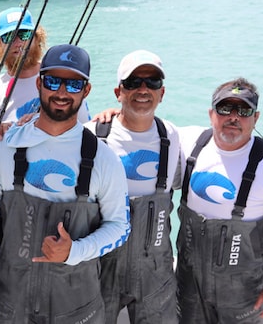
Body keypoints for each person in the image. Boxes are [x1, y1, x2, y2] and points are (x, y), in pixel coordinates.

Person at [0, 44, 130, 323]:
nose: (61, 92)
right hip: (5, 303)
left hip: (76, 311)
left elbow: (119, 227)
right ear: (39, 83)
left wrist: (74, 251)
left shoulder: (105, 159)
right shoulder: (6, 146)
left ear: (86, 90)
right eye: (53, 81)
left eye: (73, 84)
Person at [176, 78, 263, 323]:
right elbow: (144, 129)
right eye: (225, 108)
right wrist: (116, 114)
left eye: (244, 110)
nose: (233, 117)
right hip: (189, 288)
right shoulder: (188, 142)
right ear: (211, 113)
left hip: (245, 297)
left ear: (256, 118)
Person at [86, 50, 181, 323]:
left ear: (162, 93)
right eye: (133, 82)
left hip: (156, 272)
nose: (143, 89)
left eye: (152, 82)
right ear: (118, 91)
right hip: (99, 269)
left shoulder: (173, 136)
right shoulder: (92, 135)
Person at [0, 7, 90, 129]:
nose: (19, 43)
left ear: (37, 38)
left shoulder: (63, 79)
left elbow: (86, 129)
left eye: (25, 35)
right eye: (9, 37)